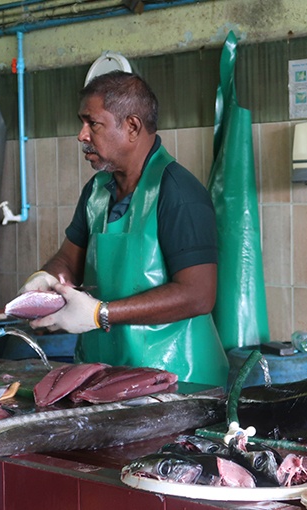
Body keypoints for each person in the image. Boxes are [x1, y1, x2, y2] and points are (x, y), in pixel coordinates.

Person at [16, 70, 229, 387]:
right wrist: (47, 279)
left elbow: (198, 295)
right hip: (105, 375)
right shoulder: (97, 191)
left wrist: (100, 313)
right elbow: (68, 260)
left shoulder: (178, 193)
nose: (82, 135)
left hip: (177, 382)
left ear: (132, 127)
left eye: (93, 124)